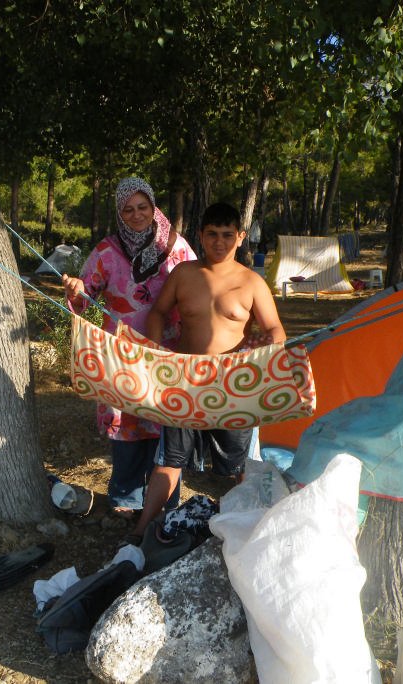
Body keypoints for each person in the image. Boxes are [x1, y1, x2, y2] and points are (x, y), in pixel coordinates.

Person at [124, 202, 286, 544]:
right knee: (169, 461)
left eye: (228, 235)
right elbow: (158, 313)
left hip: (234, 384)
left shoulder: (253, 282)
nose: (219, 242)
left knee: (241, 466)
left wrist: (266, 345)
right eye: (212, 234)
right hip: (186, 379)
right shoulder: (184, 274)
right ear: (200, 236)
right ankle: (140, 532)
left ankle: (253, 533)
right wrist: (155, 352)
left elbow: (276, 330)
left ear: (240, 237)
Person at [62, 177, 196, 519]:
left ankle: (165, 498)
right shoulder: (106, 251)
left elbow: (198, 288)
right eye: (128, 209)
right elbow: (84, 298)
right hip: (121, 352)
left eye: (142, 207)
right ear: (120, 213)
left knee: (165, 423)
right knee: (126, 422)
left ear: (153, 207)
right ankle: (127, 496)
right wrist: (77, 288)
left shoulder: (178, 247)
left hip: (168, 350)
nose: (136, 215)